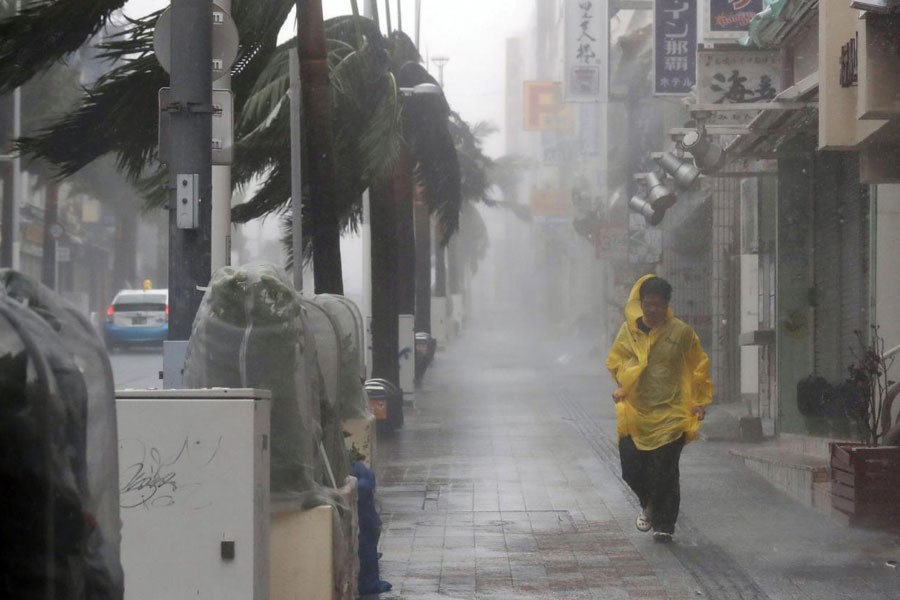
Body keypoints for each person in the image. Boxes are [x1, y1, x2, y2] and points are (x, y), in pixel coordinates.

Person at [605, 275, 713, 543]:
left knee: (665, 469)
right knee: (631, 466)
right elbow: (616, 361)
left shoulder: (681, 333)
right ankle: (650, 505)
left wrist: (699, 401)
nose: (652, 309)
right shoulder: (628, 332)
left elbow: (698, 366)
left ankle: (665, 524)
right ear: (640, 304)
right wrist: (625, 379)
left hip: (673, 411)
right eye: (647, 304)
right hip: (637, 411)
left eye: (657, 304)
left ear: (667, 305)